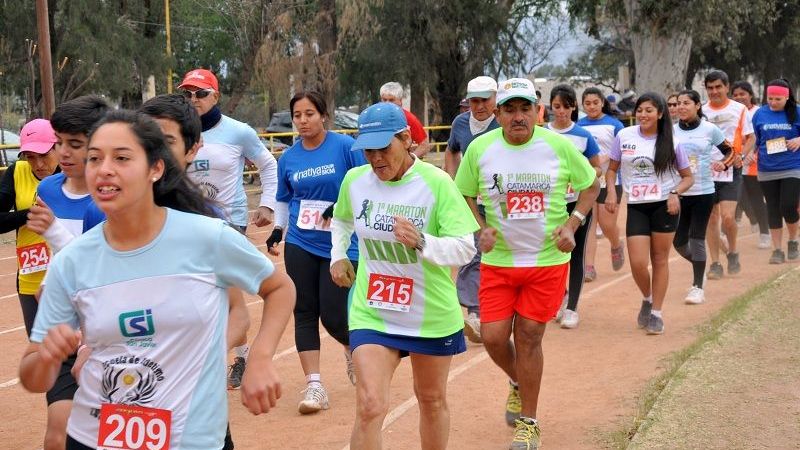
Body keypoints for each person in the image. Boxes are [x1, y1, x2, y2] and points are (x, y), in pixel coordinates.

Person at [19, 110, 296, 450]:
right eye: (94, 158)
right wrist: (47, 355)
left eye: (121, 158)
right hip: (97, 438)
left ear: (155, 168)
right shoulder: (70, 262)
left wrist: (261, 358)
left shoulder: (208, 238)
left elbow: (279, 287)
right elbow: (33, 377)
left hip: (192, 438)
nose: (104, 168)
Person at [78, 94, 250, 450]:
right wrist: (84, 347)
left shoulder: (209, 226)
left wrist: (200, 357)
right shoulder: (102, 213)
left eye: (165, 142)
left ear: (193, 149)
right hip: (124, 398)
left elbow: (239, 313)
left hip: (192, 406)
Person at [455, 78, 599, 449]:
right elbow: (464, 192)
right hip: (499, 262)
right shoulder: (480, 149)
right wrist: (480, 228)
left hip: (546, 261)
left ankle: (529, 422)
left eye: (525, 109)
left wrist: (573, 223)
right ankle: (518, 381)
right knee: (492, 337)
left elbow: (591, 184)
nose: (518, 117)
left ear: (538, 111)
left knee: (530, 336)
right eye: (509, 109)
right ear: (498, 113)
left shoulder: (557, 146)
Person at [329, 102, 478, 449]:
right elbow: (341, 219)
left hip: (429, 313)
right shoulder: (356, 181)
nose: (376, 158)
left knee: (431, 400)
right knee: (369, 406)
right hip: (374, 309)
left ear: (406, 139)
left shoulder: (437, 183)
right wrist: (338, 255)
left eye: (384, 148)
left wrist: (423, 241)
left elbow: (465, 247)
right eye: (369, 150)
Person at [266, 91, 366, 414]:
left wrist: (339, 206)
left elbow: (364, 184)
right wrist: (279, 230)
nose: (303, 121)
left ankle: (352, 348)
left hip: (342, 243)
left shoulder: (345, 148)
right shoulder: (289, 158)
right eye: (297, 115)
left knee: (335, 315)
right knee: (304, 310)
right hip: (301, 241)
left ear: (323, 115)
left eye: (309, 114)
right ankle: (315, 386)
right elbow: (283, 198)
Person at [179, 68, 278, 388]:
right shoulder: (178, 131)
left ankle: (239, 357)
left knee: (223, 292)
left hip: (229, 222)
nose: (194, 100)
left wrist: (267, 204)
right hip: (189, 221)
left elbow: (267, 164)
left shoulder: (238, 131)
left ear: (216, 96)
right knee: (199, 294)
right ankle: (237, 354)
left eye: (201, 94)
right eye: (188, 94)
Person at [21, 95, 110, 450]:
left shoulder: (110, 195)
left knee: (105, 431)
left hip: (106, 329)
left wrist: (56, 232)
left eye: (75, 144)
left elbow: (97, 261)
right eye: (60, 143)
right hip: (64, 325)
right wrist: (48, 282)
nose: (64, 153)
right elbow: (58, 256)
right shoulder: (47, 190)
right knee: (58, 432)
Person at [604, 92, 694, 335]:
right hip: (637, 205)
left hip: (664, 205)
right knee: (638, 262)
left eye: (649, 111)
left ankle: (656, 313)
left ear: (660, 114)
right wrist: (612, 192)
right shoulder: (624, 136)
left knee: (660, 258)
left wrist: (675, 193)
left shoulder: (672, 142)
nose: (643, 115)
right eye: (640, 110)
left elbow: (688, 177)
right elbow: (611, 170)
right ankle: (647, 296)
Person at [443, 75, 500, 343]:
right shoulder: (461, 123)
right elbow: (452, 151)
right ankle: (474, 312)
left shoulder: (504, 121)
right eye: (474, 101)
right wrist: (453, 183)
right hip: (470, 200)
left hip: (503, 201)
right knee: (474, 251)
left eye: (484, 100)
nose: (479, 106)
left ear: (495, 99)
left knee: (501, 252)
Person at [545, 84, 602, 329]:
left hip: (576, 204)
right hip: (548, 206)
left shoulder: (583, 136)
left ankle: (572, 308)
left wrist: (579, 176)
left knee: (575, 254)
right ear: (550, 107)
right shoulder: (541, 134)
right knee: (553, 254)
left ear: (573, 107)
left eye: (566, 106)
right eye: (557, 107)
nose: (561, 112)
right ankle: (562, 296)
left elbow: (597, 167)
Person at [0, 119, 59, 340]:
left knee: (75, 352)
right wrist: (29, 214)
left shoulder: (73, 174)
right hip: (31, 277)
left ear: (58, 147)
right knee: (41, 349)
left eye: (44, 155)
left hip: (69, 275)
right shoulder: (17, 172)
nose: (38, 164)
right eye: (31, 157)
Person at [672, 90, 731, 304]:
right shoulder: (671, 131)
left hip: (703, 192)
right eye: (678, 104)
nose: (681, 107)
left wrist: (724, 163)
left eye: (686, 103)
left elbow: (730, 150)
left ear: (697, 105)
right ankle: (701, 267)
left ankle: (697, 286)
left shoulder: (709, 129)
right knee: (678, 242)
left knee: (697, 237)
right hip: (678, 193)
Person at [702, 70, 754, 279]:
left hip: (731, 168)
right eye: (710, 88)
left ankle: (732, 251)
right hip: (705, 171)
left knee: (728, 218)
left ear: (726, 87)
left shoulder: (740, 109)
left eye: (718, 87)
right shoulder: (701, 111)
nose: (714, 91)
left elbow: (750, 138)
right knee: (710, 219)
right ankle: (715, 263)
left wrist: (741, 154)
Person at [578, 87, 627, 280]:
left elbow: (623, 151)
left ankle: (616, 244)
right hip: (588, 182)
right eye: (587, 103)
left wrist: (605, 158)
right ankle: (589, 267)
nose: (591, 107)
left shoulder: (615, 125)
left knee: (607, 225)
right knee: (589, 225)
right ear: (582, 105)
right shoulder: (579, 126)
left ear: (602, 103)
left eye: (595, 103)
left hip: (610, 181)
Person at [751, 79, 800, 263]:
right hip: (767, 168)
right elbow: (756, 139)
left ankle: (793, 240)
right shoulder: (760, 114)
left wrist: (799, 140)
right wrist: (750, 154)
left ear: (787, 97)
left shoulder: (797, 112)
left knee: (788, 205)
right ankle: (777, 250)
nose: (772, 102)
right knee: (772, 208)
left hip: (792, 167)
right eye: (770, 98)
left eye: (777, 99)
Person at [732, 80, 771, 249]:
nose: (739, 97)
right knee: (739, 197)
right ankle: (754, 221)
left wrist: (752, 154)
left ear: (750, 95)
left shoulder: (759, 112)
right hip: (735, 161)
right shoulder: (732, 113)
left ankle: (765, 233)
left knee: (756, 199)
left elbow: (764, 137)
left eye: (743, 94)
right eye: (735, 95)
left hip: (756, 163)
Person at [379, 81, 431, 158]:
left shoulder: (409, 119)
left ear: (400, 101)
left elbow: (424, 146)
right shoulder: (376, 119)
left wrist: (409, 160)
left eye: (391, 100)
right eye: (384, 100)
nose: (387, 103)